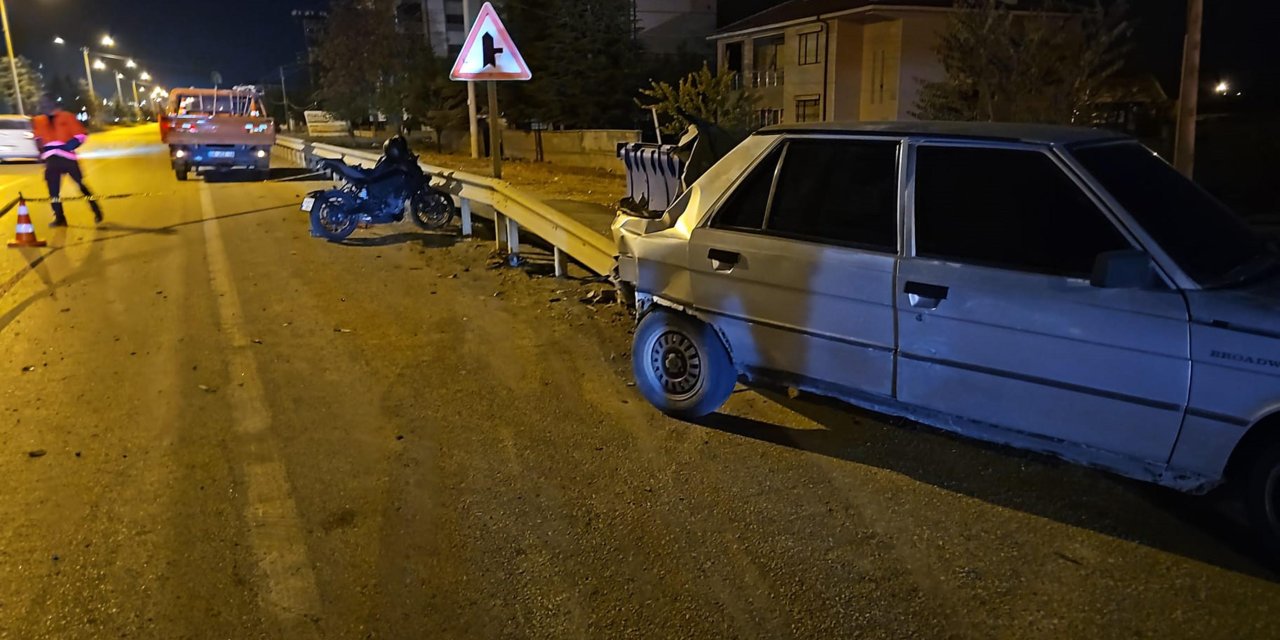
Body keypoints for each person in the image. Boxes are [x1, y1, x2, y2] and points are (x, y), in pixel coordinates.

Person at [31, 96, 104, 227]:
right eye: (41, 103)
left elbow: (81, 135)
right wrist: (40, 154)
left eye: (46, 103)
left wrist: (68, 146)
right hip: (51, 161)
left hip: (68, 159)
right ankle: (59, 218)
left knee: (81, 186)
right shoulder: (38, 120)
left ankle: (96, 210)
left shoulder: (67, 117)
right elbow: (38, 139)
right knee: (53, 192)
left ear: (53, 103)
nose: (43, 106)